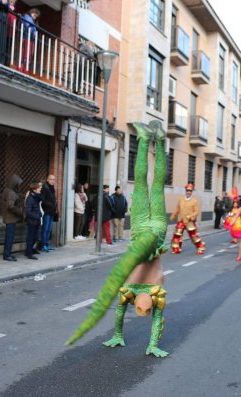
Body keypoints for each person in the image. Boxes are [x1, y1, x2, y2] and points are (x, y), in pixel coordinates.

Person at [67, 121, 169, 357]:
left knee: (149, 185)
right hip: (151, 232)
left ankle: (148, 139)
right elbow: (149, 318)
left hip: (145, 229)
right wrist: (149, 344)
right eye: (146, 308)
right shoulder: (153, 290)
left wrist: (119, 335)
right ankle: (156, 140)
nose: (144, 308)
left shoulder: (140, 289)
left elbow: (122, 314)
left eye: (141, 308)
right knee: (154, 187)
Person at [170, 183, 205, 255]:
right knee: (177, 234)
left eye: (190, 191)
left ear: (191, 192)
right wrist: (173, 216)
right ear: (185, 191)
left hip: (189, 222)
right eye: (187, 191)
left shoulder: (194, 201)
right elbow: (177, 209)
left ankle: (200, 247)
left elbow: (196, 211)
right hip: (181, 220)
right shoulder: (181, 200)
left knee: (193, 235)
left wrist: (191, 216)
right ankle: (176, 248)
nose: (188, 192)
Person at [1, 175, 24, 261]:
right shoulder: (11, 192)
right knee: (10, 237)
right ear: (14, 183)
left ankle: (8, 253)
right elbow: (10, 206)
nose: (19, 186)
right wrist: (20, 212)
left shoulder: (7, 190)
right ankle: (7, 255)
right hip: (10, 218)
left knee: (9, 236)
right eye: (18, 184)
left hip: (9, 218)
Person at [25, 182, 43, 260]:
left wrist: (39, 214)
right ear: (34, 189)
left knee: (36, 237)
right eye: (39, 187)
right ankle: (29, 253)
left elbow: (38, 205)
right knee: (31, 237)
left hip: (36, 221)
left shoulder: (36, 197)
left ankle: (31, 249)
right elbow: (28, 212)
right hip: (32, 221)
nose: (40, 188)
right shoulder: (30, 198)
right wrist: (37, 215)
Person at [20, 8, 41, 73]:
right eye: (34, 15)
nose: (35, 18)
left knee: (29, 53)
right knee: (26, 53)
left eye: (36, 17)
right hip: (27, 37)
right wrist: (34, 31)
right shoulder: (27, 17)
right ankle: (23, 67)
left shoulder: (31, 20)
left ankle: (25, 67)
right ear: (31, 13)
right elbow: (27, 26)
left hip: (30, 38)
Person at [40, 174, 58, 252]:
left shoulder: (52, 188)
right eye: (51, 179)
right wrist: (51, 205)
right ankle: (43, 244)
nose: (52, 181)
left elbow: (54, 199)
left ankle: (46, 243)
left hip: (51, 212)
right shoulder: (45, 188)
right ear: (47, 179)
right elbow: (43, 200)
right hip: (46, 212)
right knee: (45, 229)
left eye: (54, 179)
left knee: (49, 229)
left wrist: (55, 207)